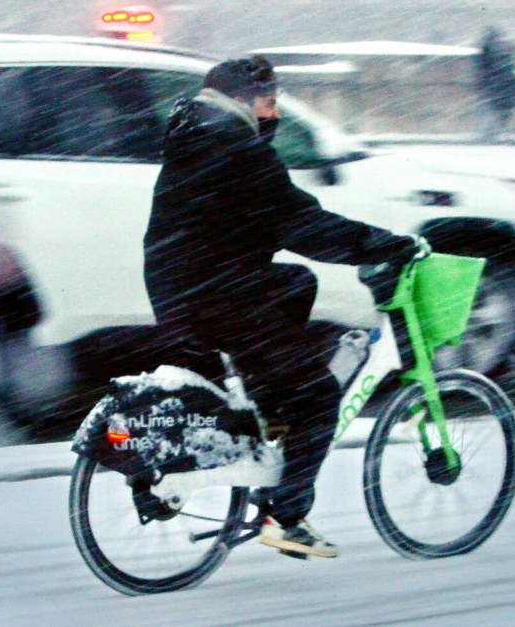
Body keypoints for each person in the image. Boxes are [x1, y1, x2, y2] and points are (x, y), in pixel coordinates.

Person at [143, 55, 420, 559]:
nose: (273, 115)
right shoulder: (237, 151)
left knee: (294, 282)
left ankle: (269, 401)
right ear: (243, 102)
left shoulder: (196, 138)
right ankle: (286, 518)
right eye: (269, 104)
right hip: (220, 294)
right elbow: (301, 224)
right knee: (316, 393)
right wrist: (383, 245)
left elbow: (270, 221)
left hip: (182, 286)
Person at [475, 26, 515, 139]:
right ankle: (498, 129)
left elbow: (483, 69)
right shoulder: (501, 54)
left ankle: (492, 130)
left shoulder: (487, 52)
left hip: (494, 87)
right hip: (502, 87)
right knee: (500, 110)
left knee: (490, 108)